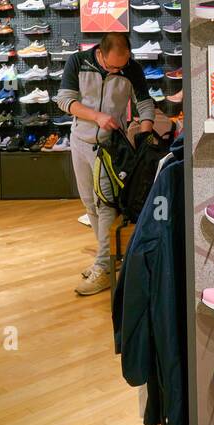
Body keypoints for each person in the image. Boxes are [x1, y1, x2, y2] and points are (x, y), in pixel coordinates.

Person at [55, 32, 154, 296]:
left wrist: (145, 136)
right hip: (80, 141)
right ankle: (111, 259)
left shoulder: (131, 69)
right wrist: (97, 116)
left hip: (112, 147)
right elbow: (65, 101)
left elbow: (145, 103)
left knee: (107, 204)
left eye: (122, 66)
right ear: (100, 52)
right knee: (89, 203)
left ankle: (104, 268)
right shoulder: (77, 61)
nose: (117, 70)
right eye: (112, 66)